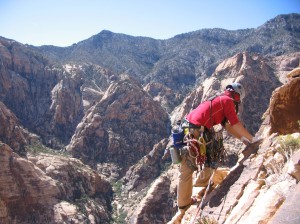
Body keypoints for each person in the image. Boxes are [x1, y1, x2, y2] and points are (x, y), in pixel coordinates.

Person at [168, 82, 254, 224]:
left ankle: (191, 196)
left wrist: (244, 140)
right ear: (237, 97)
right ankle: (186, 204)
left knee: (194, 165)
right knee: (193, 166)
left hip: (188, 128)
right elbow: (235, 123)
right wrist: (252, 139)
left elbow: (228, 126)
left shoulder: (219, 99)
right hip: (195, 131)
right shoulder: (227, 101)